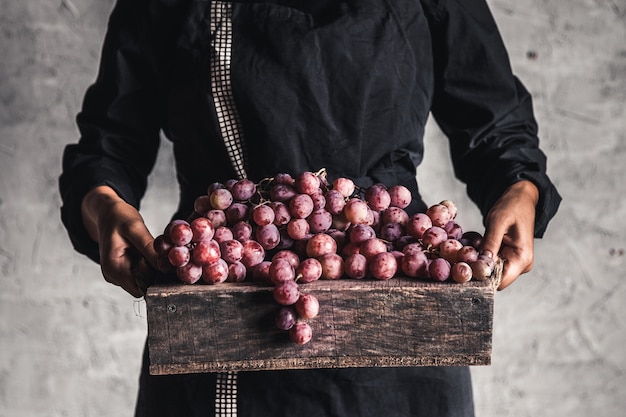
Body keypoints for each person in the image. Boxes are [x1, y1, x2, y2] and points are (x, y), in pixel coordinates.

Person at [59, 0, 561, 416]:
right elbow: (110, 142)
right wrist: (103, 205)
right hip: (223, 304)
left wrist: (520, 189)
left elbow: (496, 123)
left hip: (398, 304)